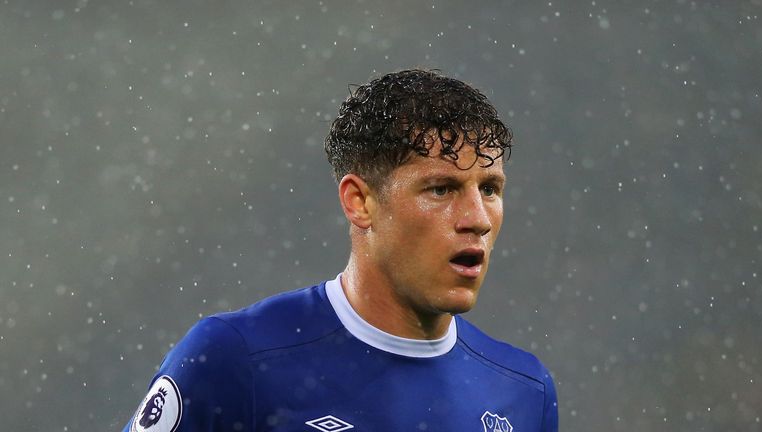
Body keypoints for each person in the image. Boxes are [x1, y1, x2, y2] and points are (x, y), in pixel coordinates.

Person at [123, 69, 558, 432]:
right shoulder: (236, 359)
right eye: (441, 188)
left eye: (490, 189)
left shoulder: (524, 391)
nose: (477, 218)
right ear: (360, 202)